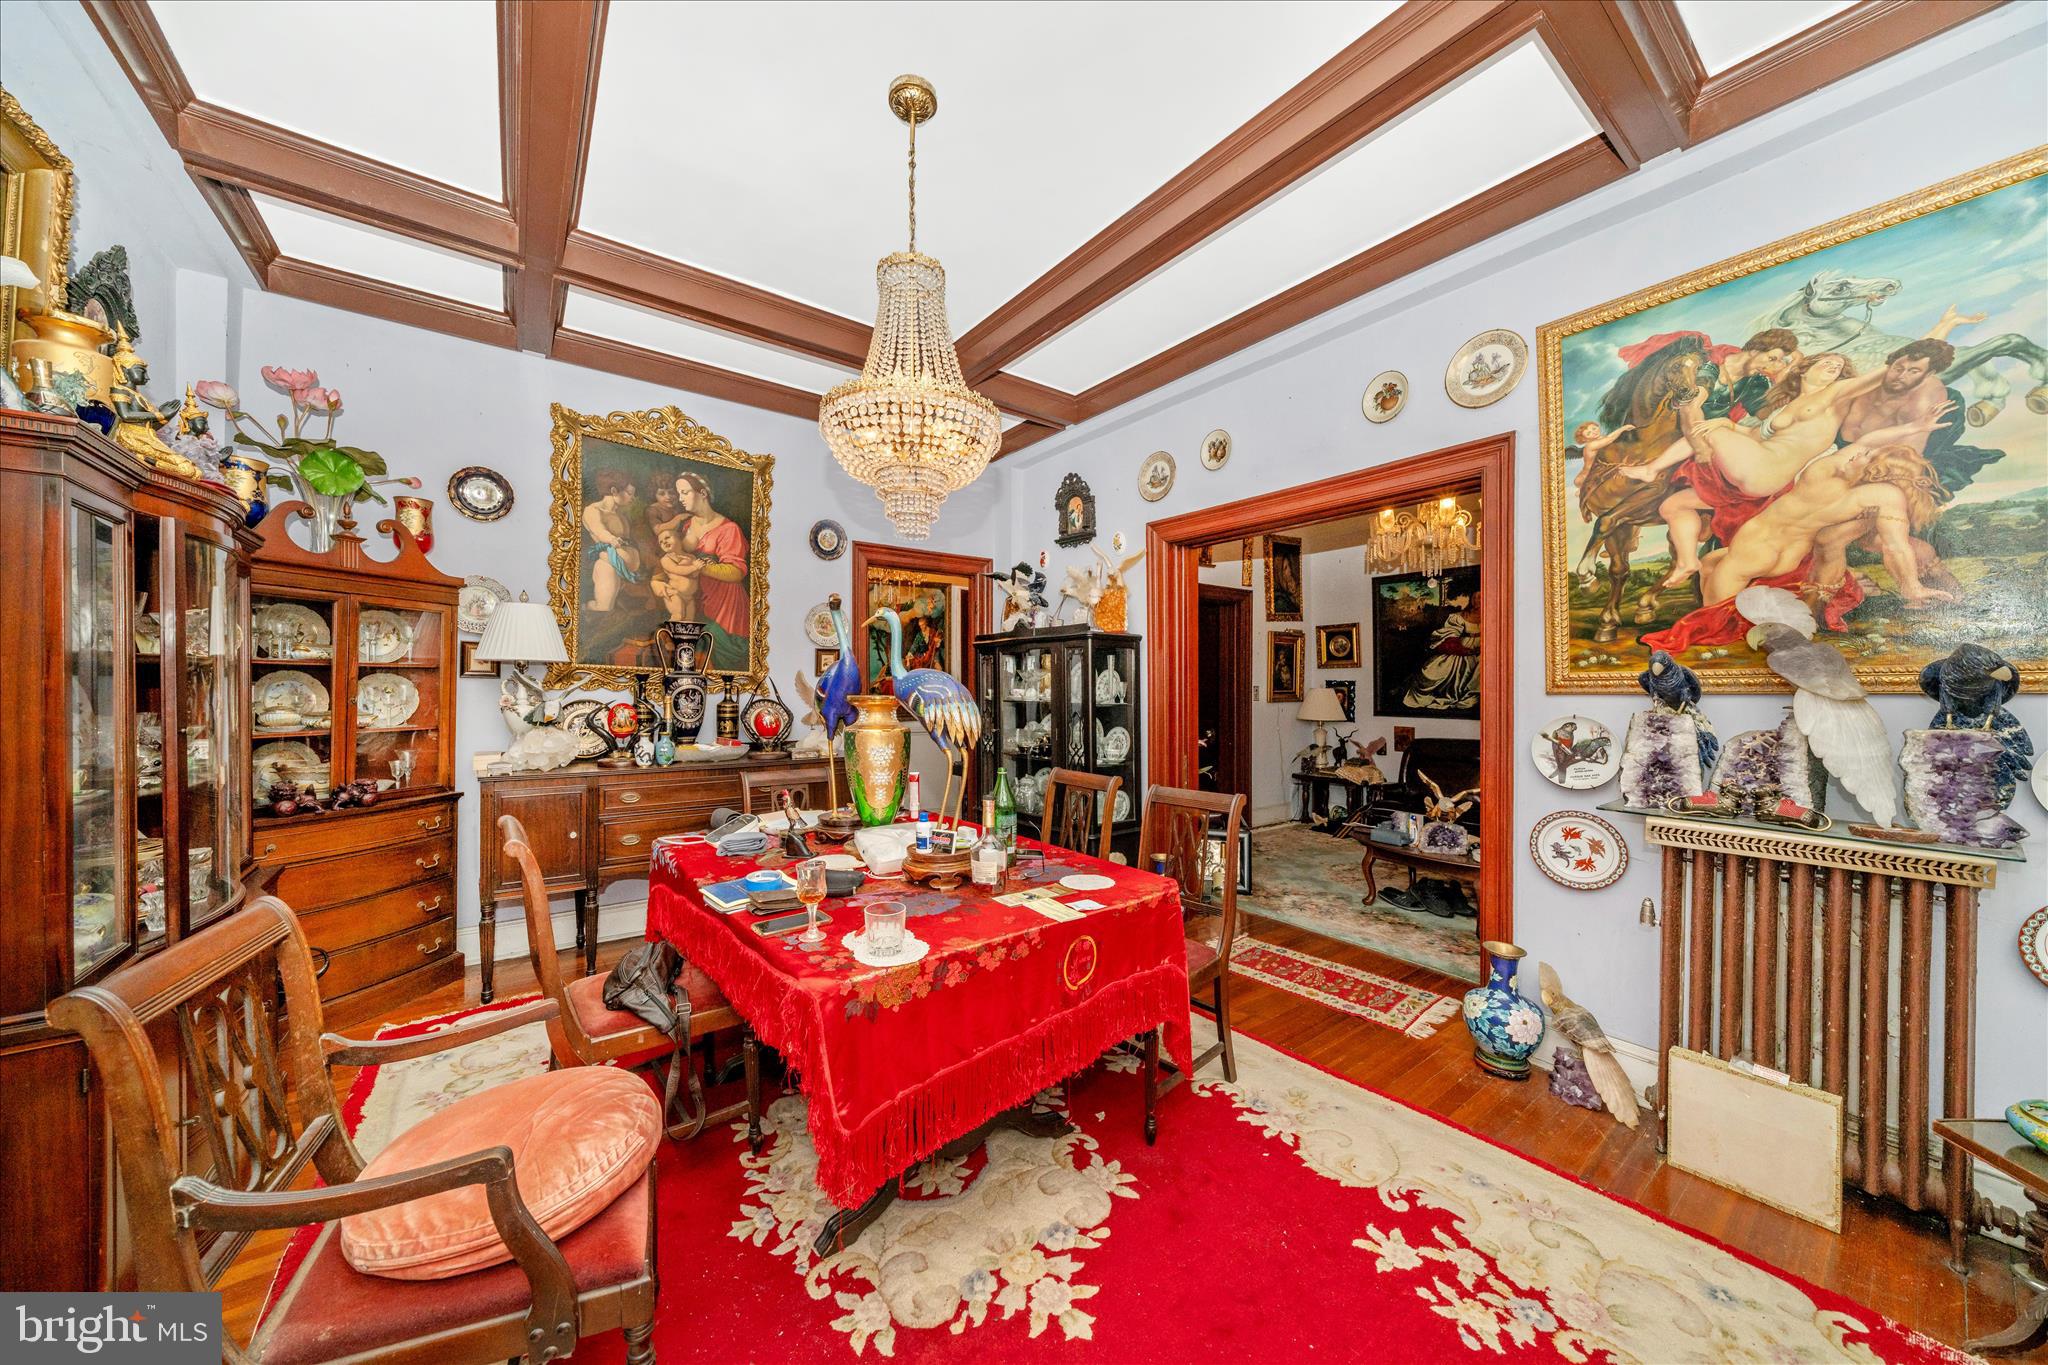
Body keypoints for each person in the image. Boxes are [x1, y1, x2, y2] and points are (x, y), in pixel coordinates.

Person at [1402, 591, 1481, 712]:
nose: (1476, 600)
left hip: (1484, 649)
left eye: (1480, 597)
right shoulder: (1459, 616)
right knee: (1434, 671)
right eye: (1474, 597)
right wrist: (1461, 649)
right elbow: (1450, 633)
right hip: (1462, 648)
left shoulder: (1492, 615)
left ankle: (1470, 695)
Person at [582, 470, 642, 611]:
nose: (633, 498)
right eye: (629, 493)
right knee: (603, 607)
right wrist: (611, 539)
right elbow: (599, 530)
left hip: (626, 573)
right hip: (607, 567)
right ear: (614, 490)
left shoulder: (621, 516)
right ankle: (584, 608)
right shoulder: (593, 510)